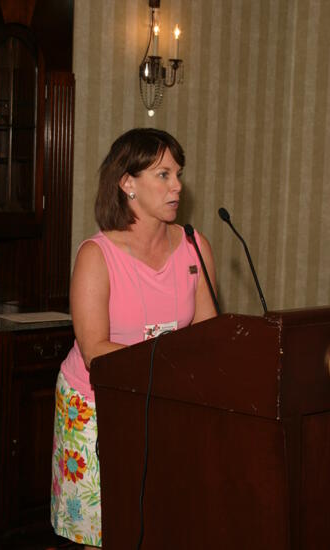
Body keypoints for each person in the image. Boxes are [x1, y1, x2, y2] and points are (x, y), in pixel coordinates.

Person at [50, 127, 218, 549]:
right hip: (94, 407)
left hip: (165, 403)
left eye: (178, 173)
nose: (177, 184)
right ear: (128, 183)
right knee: (100, 532)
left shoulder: (195, 246)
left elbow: (208, 337)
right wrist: (172, 367)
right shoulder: (97, 255)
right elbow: (95, 352)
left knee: (158, 524)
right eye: (163, 174)